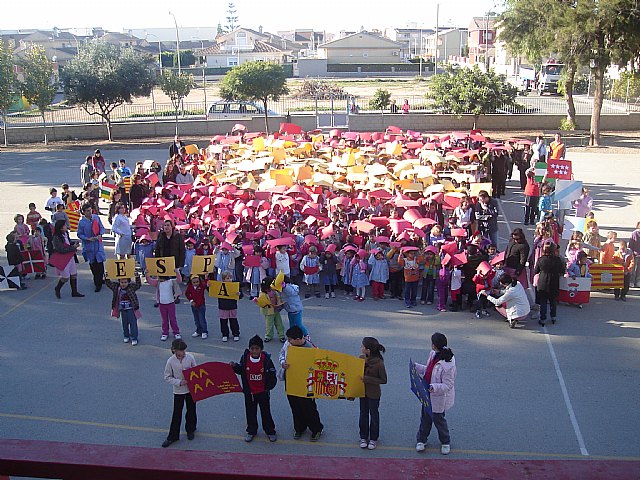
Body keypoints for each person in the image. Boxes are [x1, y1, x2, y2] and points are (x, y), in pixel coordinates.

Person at [278, 326, 324, 442]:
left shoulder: (311, 348)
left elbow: (319, 365)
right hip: (291, 379)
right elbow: (282, 353)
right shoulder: (288, 344)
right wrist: (283, 362)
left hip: (306, 383)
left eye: (290, 339)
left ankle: (316, 429)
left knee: (308, 407)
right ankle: (299, 428)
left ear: (298, 339)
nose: (288, 341)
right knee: (294, 405)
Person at [414, 332, 456, 455]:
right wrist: (417, 367)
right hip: (427, 393)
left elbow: (448, 385)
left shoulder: (448, 365)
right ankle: (421, 440)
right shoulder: (433, 355)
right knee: (425, 419)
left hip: (437, 397)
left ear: (434, 345)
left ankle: (445, 442)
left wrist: (434, 387)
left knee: (439, 421)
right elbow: (429, 370)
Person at [230, 335, 278, 443]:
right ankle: (251, 431)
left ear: (261, 349)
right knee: (250, 412)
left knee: (266, 412)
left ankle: (270, 431)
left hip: (263, 392)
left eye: (257, 349)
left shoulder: (266, 361)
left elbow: (272, 376)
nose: (254, 351)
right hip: (249, 393)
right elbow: (241, 370)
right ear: (249, 349)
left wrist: (267, 388)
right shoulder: (244, 358)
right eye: (252, 348)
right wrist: (234, 367)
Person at [162, 339, 197, 448]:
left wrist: (192, 378)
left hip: (190, 389)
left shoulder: (190, 357)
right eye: (181, 350)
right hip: (179, 390)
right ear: (174, 350)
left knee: (191, 410)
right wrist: (179, 382)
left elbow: (196, 371)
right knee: (177, 413)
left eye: (184, 350)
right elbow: (167, 377)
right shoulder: (170, 361)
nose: (183, 352)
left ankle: (190, 429)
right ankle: (172, 436)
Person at [359, 337, 387, 450]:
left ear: (368, 350)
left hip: (374, 394)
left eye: (362, 346)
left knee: (374, 415)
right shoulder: (361, 359)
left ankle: (373, 438)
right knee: (363, 414)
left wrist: (367, 379)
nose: (360, 348)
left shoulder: (379, 364)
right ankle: (363, 436)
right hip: (362, 392)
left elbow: (384, 380)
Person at [534, 242, 566, 326]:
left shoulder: (541, 259)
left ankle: (543, 318)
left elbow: (535, 271)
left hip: (543, 281)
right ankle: (553, 316)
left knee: (543, 301)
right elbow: (562, 271)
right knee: (553, 301)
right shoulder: (557, 259)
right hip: (554, 281)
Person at [77, 203, 106, 292]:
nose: (90, 212)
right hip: (89, 246)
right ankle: (96, 281)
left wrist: (100, 234)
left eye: (90, 210)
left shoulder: (96, 218)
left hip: (98, 245)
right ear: (83, 212)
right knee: (93, 265)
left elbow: (102, 228)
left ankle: (99, 282)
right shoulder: (82, 222)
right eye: (87, 211)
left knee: (100, 264)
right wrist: (88, 238)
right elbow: (79, 234)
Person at [51, 219, 84, 298]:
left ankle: (74, 292)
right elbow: (61, 250)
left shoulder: (65, 233)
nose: (67, 226)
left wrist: (73, 243)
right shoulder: (56, 238)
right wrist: (73, 247)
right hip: (63, 259)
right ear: (61, 228)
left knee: (74, 274)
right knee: (65, 277)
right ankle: (57, 288)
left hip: (70, 257)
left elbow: (68, 242)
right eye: (65, 225)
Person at [105, 276, 142, 345]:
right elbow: (109, 284)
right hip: (122, 310)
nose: (123, 284)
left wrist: (137, 277)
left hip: (131, 309)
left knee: (133, 324)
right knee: (124, 324)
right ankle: (126, 335)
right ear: (119, 282)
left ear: (128, 282)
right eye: (121, 282)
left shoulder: (131, 288)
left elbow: (138, 285)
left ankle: (134, 338)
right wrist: (107, 277)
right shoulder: (117, 288)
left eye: (125, 282)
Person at [146, 273, 182, 341]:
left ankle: (176, 332)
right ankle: (165, 332)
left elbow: (179, 280)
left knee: (172, 319)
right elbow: (150, 281)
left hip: (171, 303)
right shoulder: (158, 283)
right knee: (164, 320)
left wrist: (177, 272)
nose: (159, 278)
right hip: (162, 304)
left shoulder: (171, 281)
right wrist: (147, 274)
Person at [257, 277, 286, 343]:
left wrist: (279, 303)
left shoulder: (274, 291)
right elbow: (262, 302)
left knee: (279, 323)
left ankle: (281, 335)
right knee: (269, 324)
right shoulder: (262, 294)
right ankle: (268, 336)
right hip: (269, 312)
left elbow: (278, 297)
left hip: (276, 310)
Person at [218, 270, 240, 342]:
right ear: (223, 279)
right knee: (223, 322)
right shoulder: (220, 286)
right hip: (223, 307)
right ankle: (225, 334)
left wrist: (239, 294)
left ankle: (236, 334)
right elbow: (212, 291)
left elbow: (240, 295)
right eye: (227, 278)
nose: (229, 280)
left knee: (233, 321)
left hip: (232, 306)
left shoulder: (234, 286)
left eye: (230, 278)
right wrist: (208, 286)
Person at [185, 275, 208, 339]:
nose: (196, 283)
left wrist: (206, 278)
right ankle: (198, 330)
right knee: (196, 320)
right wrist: (191, 300)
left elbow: (206, 285)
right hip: (194, 306)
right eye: (194, 282)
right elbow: (187, 293)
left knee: (202, 319)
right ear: (191, 282)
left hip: (201, 305)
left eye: (197, 282)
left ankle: (204, 331)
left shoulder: (201, 286)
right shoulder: (190, 287)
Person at [629, 221, 640, 288]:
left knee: (639, 269)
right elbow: (631, 243)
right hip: (635, 254)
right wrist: (631, 252)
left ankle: (638, 281)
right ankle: (631, 281)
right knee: (633, 268)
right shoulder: (634, 233)